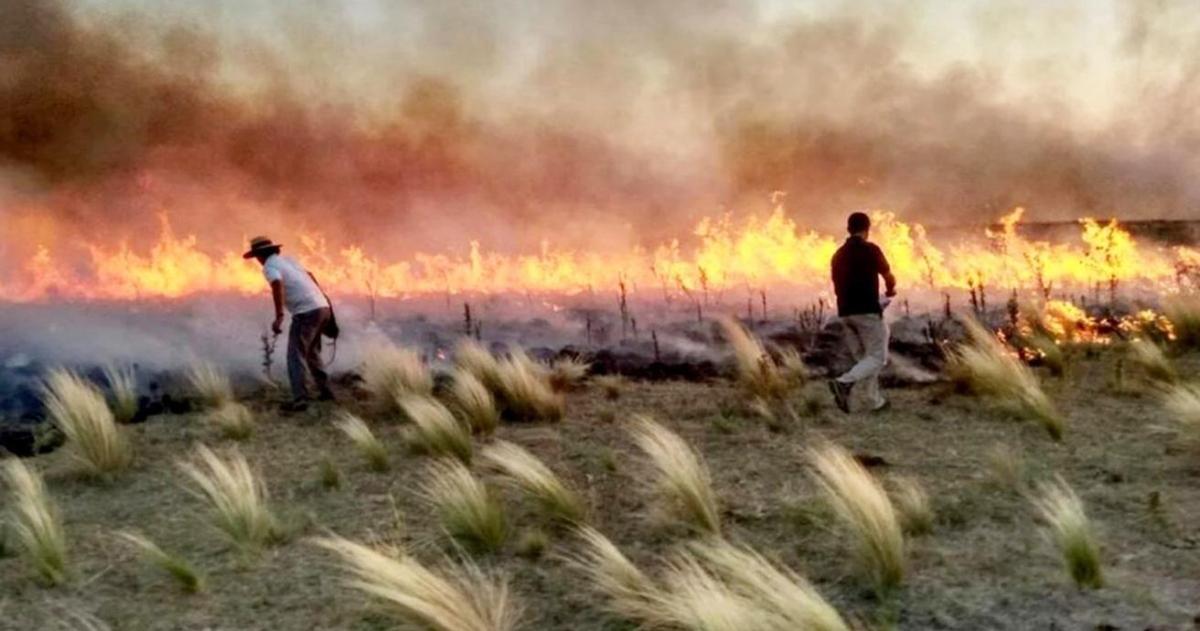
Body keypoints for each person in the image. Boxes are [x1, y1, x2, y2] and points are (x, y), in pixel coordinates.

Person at [243, 236, 335, 410]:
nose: (258, 261)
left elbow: (277, 284)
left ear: (260, 255)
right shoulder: (288, 261)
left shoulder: (270, 267)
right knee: (312, 353)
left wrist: (279, 315)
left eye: (257, 256)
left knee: (295, 355)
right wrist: (319, 297)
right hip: (323, 307)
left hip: (306, 313)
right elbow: (310, 275)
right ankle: (326, 392)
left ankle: (300, 399)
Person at [828, 212, 896, 413]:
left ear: (848, 229)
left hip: (845, 312)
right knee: (878, 357)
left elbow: (837, 284)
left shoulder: (838, 255)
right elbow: (889, 276)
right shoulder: (871, 250)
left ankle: (874, 402)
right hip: (867, 311)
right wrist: (890, 291)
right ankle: (843, 383)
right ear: (867, 229)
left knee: (865, 360)